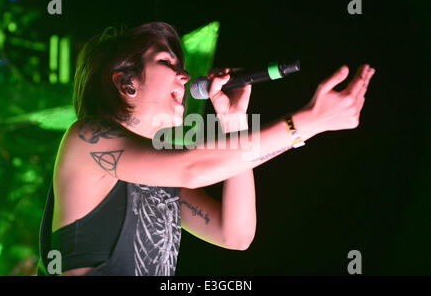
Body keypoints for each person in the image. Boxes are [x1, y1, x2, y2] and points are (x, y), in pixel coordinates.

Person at [37, 22, 375, 276]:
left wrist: (235, 125)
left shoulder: (161, 179)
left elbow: (235, 233)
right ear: (125, 81)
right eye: (167, 62)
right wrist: (308, 123)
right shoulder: (84, 139)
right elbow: (194, 169)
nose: (184, 77)